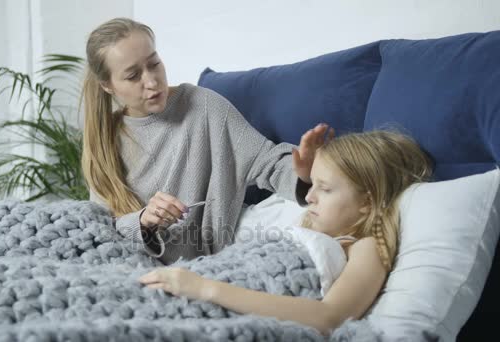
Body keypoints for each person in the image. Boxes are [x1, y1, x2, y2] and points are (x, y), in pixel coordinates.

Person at [81, 17, 332, 264]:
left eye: (154, 63)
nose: (151, 80)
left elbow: (267, 163)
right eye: (133, 75)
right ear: (108, 86)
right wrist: (144, 220)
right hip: (144, 264)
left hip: (220, 250)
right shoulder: (106, 139)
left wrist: (306, 173)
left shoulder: (203, 105)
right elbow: (102, 227)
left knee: (316, 215)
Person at [138, 130, 433, 335]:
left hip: (209, 293)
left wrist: (203, 288)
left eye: (325, 188)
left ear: (367, 202)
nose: (310, 197)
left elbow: (330, 317)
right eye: (312, 184)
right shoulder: (309, 225)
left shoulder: (365, 246)